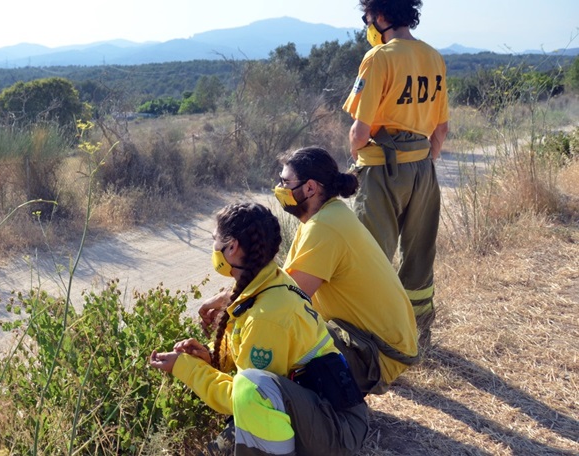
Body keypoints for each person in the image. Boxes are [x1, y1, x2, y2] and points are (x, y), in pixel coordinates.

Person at [150, 202, 367, 456]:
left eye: (214, 240)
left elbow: (246, 395)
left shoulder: (268, 315)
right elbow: (251, 356)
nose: (213, 247)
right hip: (325, 414)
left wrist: (185, 367)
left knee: (251, 393)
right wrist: (210, 357)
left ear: (231, 248)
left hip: (338, 433)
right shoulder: (268, 281)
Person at [343, 0, 449, 345]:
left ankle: (372, 339)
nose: (367, 25)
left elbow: (360, 131)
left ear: (382, 16)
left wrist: (355, 158)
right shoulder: (433, 56)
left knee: (372, 255)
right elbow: (442, 128)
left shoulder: (379, 58)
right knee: (420, 254)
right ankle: (418, 334)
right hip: (422, 168)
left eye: (367, 18)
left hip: (381, 170)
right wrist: (424, 162)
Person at [276, 146, 420, 395]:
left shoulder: (324, 227)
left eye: (285, 182)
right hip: (379, 344)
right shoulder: (326, 215)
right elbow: (282, 280)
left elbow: (286, 300)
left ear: (310, 188)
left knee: (277, 340)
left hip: (378, 354)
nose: (279, 188)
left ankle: (333, 416)